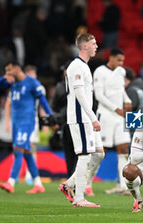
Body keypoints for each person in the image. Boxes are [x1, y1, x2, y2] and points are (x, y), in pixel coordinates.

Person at [58, 33, 105, 207]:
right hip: (80, 118)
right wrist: (92, 118)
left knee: (99, 153)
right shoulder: (77, 66)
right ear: (84, 46)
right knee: (84, 155)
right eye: (93, 43)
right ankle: (79, 198)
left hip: (86, 117)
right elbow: (78, 94)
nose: (96, 46)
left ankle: (68, 185)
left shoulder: (83, 66)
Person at [0, 61, 52, 194]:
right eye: (6, 71)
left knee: (18, 150)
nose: (7, 73)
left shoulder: (32, 83)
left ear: (17, 69)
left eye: (9, 71)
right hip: (16, 124)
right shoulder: (13, 82)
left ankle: (11, 182)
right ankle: (38, 184)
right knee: (27, 153)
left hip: (27, 122)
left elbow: (42, 100)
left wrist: (50, 116)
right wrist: (5, 77)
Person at [93, 48, 132, 195]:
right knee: (101, 152)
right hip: (106, 115)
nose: (121, 63)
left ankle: (124, 185)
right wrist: (116, 109)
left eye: (123, 61)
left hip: (120, 116)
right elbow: (99, 95)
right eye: (119, 60)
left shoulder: (121, 72)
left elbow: (121, 90)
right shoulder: (100, 72)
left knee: (123, 149)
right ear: (111, 58)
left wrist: (127, 100)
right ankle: (86, 181)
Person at [4, 65, 46, 185]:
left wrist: (46, 120)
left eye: (34, 74)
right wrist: (7, 121)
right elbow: (8, 103)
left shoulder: (39, 87)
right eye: (31, 74)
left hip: (33, 121)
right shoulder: (17, 85)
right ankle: (19, 176)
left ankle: (27, 176)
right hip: (19, 122)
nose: (33, 77)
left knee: (30, 147)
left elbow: (41, 105)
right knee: (19, 147)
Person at [50, 61, 77, 178]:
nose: (64, 72)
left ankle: (81, 182)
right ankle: (72, 180)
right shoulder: (61, 86)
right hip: (67, 124)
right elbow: (54, 106)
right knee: (71, 154)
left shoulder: (80, 85)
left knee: (81, 154)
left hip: (77, 123)